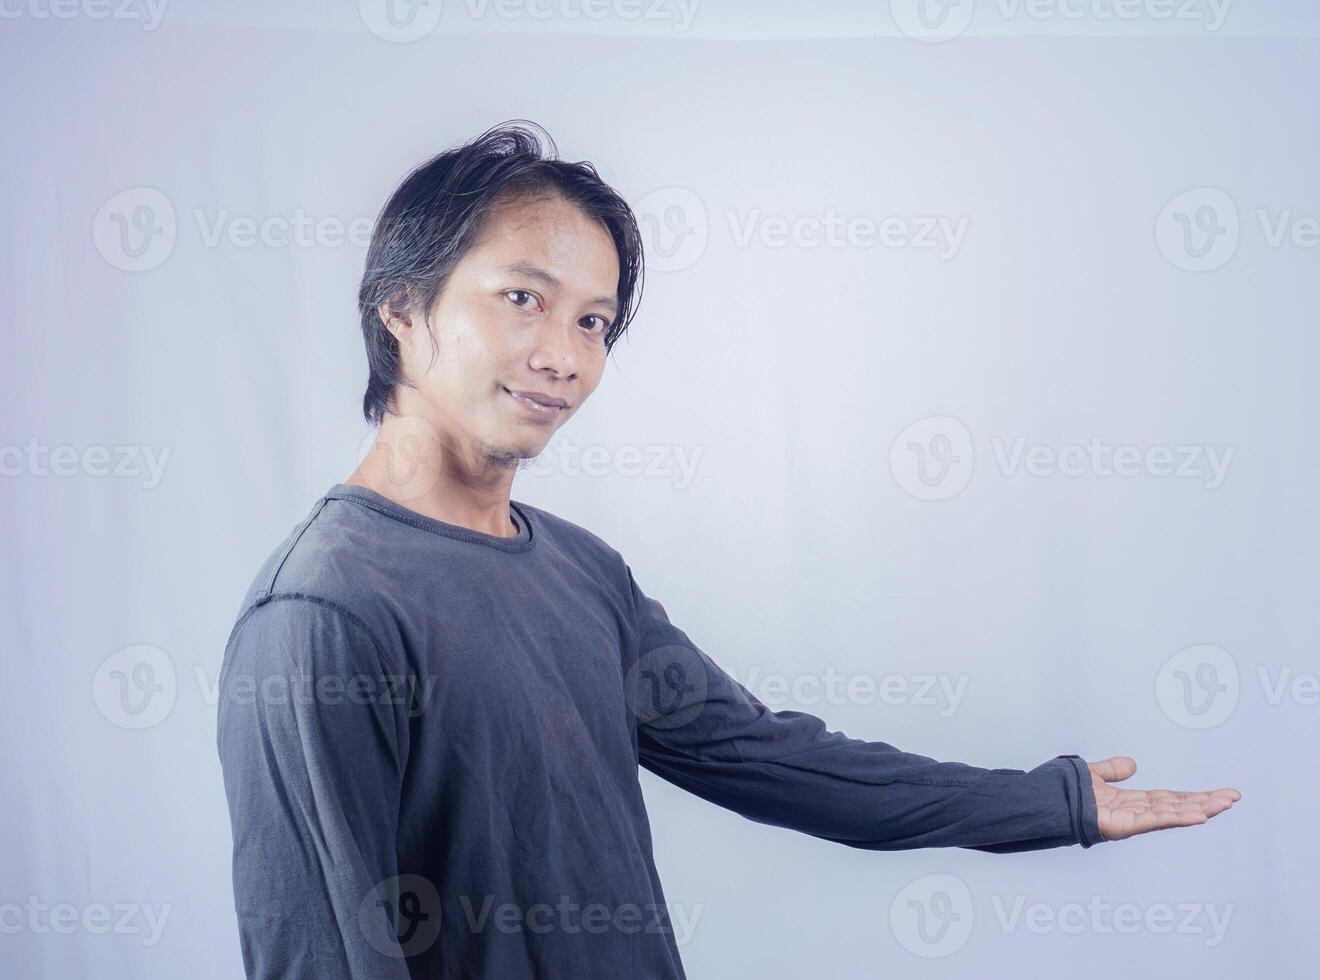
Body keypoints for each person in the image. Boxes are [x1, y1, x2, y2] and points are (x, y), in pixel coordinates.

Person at [215, 120, 1240, 980]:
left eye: (595, 320)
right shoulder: (324, 609)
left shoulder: (579, 570)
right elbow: (320, 953)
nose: (565, 356)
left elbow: (769, 755)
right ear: (400, 304)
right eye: (522, 298)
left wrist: (1046, 801)